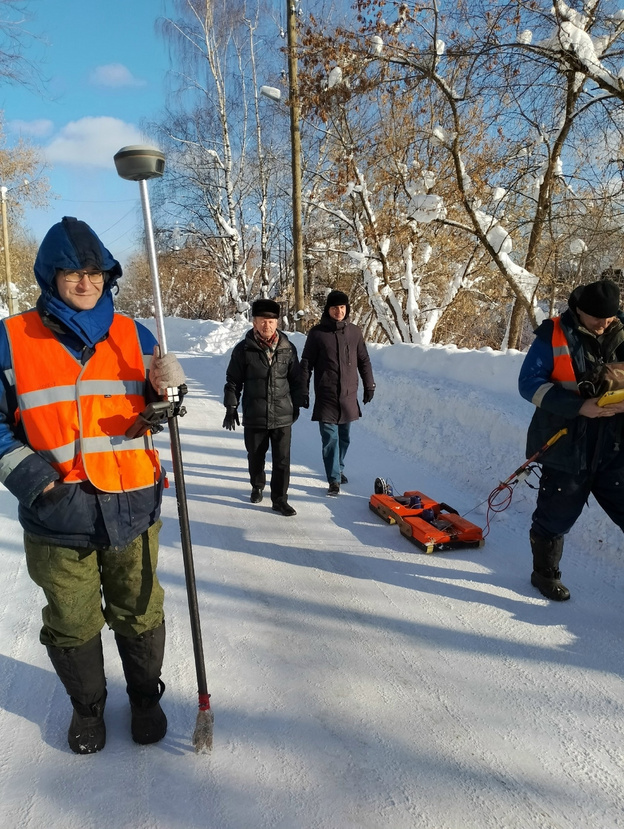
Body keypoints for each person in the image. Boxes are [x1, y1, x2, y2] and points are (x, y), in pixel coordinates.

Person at [0, 217, 185, 754]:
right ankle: (88, 709)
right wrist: (36, 482)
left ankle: (144, 698)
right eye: (73, 273)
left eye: (96, 272)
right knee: (72, 619)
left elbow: (158, 409)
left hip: (133, 502)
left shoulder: (136, 334)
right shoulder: (11, 340)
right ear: (50, 276)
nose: (86, 283)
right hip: (58, 512)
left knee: (140, 608)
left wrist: (170, 394)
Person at [518, 277, 624, 601]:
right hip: (567, 444)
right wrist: (580, 406)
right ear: (580, 311)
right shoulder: (553, 334)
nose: (604, 325)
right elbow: (528, 384)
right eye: (597, 319)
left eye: (609, 318)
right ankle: (544, 574)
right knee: (554, 516)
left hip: (615, 447)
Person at [223, 298, 304, 516]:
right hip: (255, 414)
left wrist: (297, 403)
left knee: (282, 460)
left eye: (271, 321)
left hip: (282, 414)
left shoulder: (287, 349)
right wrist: (231, 406)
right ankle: (257, 485)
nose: (266, 325)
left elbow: (296, 380)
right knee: (255, 455)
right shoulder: (243, 350)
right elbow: (233, 381)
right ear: (254, 322)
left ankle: (280, 499)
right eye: (262, 321)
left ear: (277, 323)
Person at [300, 289, 376, 496]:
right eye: (334, 308)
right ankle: (333, 479)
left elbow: (364, 360)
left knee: (344, 437)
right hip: (326, 394)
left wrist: (369, 385)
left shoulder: (355, 332)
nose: (339, 311)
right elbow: (306, 363)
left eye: (342, 307)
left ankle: (339, 468)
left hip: (348, 394)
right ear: (328, 309)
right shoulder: (317, 334)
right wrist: (303, 390)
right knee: (330, 439)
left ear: (347, 308)